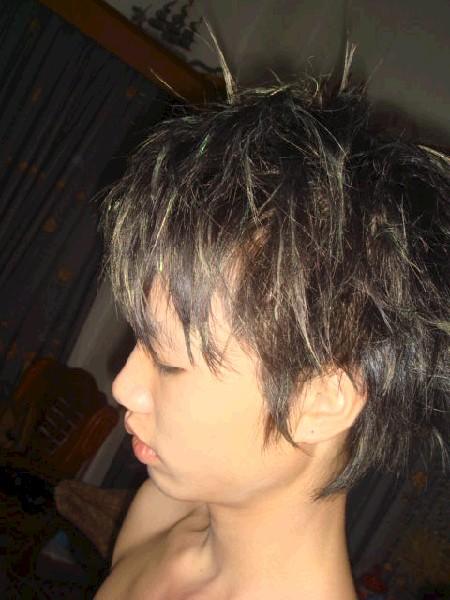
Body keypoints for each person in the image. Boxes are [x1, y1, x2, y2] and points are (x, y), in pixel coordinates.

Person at [95, 53, 449, 599]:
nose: (124, 386)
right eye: (140, 339)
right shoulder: (161, 512)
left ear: (320, 400)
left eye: (168, 362)